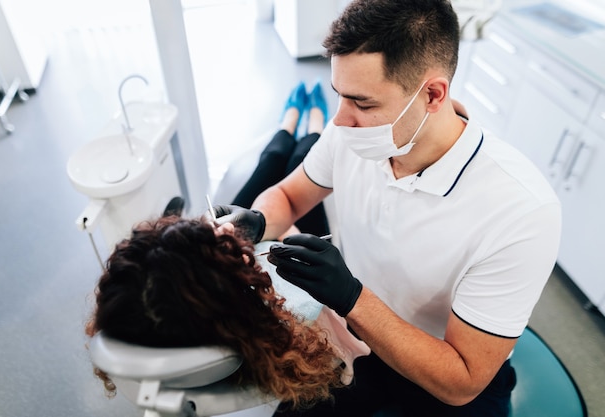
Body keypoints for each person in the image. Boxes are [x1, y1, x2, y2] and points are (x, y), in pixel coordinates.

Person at [209, 1, 562, 416]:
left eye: (363, 103)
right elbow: (288, 196)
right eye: (338, 94)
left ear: (432, 94)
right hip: (356, 342)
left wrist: (352, 297)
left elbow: (462, 381)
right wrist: (262, 219)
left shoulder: (521, 210)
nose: (340, 121)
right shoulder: (355, 135)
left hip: (446, 380)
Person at [84, 215, 371, 409]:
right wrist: (272, 226)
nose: (227, 233)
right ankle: (300, 129)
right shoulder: (298, 317)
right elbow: (288, 225)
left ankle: (294, 127)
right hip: (285, 240)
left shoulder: (152, 311)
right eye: (218, 245)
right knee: (285, 158)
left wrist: (217, 248)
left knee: (278, 163)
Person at [218, 80, 331, 241]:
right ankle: (315, 125)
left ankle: (288, 123)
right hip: (299, 249)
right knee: (300, 160)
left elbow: (286, 198)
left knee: (274, 158)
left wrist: (262, 224)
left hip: (243, 237)